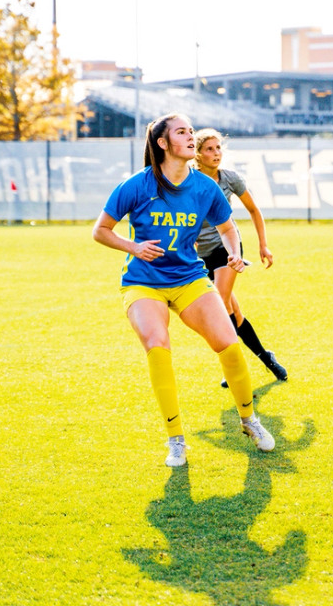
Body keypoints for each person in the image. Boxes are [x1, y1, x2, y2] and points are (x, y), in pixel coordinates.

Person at [92, 113, 276, 467]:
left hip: (189, 278)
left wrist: (235, 254)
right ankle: (176, 440)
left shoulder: (205, 186)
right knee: (158, 346)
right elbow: (100, 230)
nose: (191, 137)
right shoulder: (137, 184)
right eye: (182, 132)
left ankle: (249, 420)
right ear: (163, 143)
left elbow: (227, 227)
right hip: (144, 282)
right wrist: (134, 247)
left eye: (191, 131)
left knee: (229, 343)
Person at [191, 128, 288, 384]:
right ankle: (266, 357)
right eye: (209, 149)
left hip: (228, 249)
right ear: (198, 154)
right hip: (201, 256)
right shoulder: (189, 181)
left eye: (218, 148)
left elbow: (254, 211)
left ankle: (231, 366)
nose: (216, 153)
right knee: (234, 312)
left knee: (219, 305)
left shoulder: (230, 179)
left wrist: (263, 245)